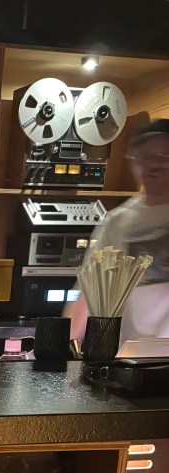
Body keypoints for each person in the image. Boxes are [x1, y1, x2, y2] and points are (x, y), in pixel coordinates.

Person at [68, 119, 169, 345]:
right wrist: (64, 346)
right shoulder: (116, 223)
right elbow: (89, 291)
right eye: (145, 158)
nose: (154, 166)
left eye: (164, 157)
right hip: (132, 356)